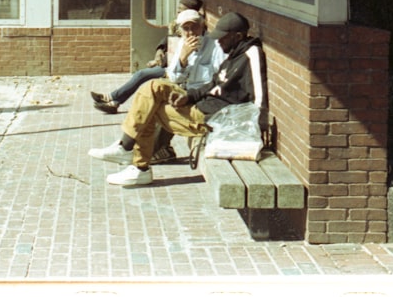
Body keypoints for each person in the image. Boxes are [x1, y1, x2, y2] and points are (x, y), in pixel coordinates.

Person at [88, 12, 267, 186]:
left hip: (213, 120)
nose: (218, 41)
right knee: (153, 87)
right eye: (185, 28)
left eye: (223, 37)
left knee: (149, 108)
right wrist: (188, 96)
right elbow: (212, 83)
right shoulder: (232, 53)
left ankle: (135, 160)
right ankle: (128, 152)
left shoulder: (250, 54)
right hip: (199, 104)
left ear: (237, 36)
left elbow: (259, 99)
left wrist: (250, 131)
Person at [89, 0, 215, 114]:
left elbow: (181, 56)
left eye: (181, 10)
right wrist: (159, 50)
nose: (177, 13)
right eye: (178, 10)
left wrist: (159, 61)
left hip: (177, 69)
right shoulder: (178, 24)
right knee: (143, 75)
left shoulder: (196, 32)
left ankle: (112, 98)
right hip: (172, 64)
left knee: (142, 74)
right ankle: (114, 101)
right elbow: (167, 41)